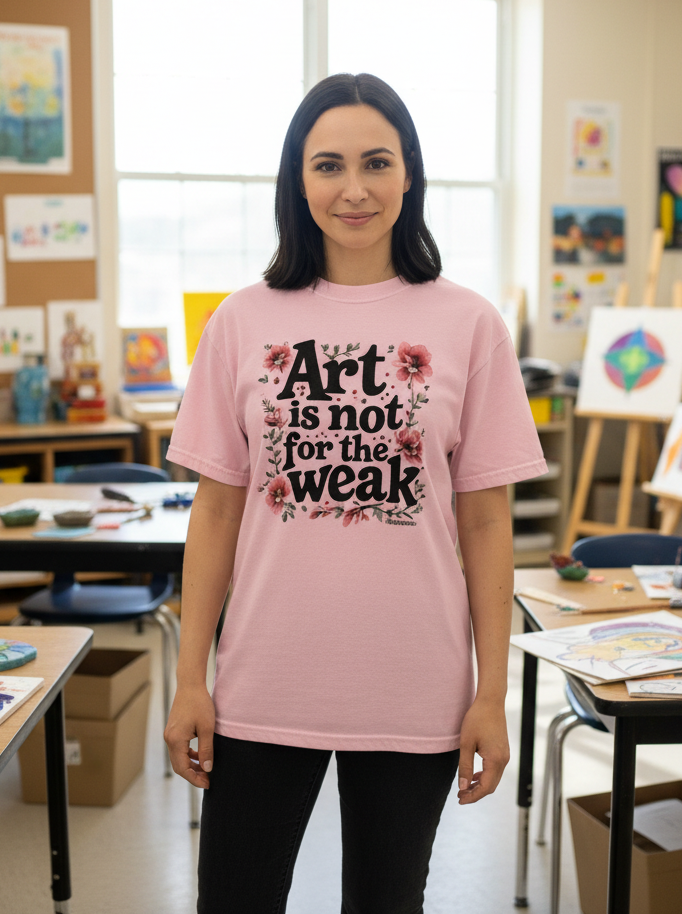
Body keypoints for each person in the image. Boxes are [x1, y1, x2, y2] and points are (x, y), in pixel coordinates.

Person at [164, 72, 546, 913]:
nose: (355, 189)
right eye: (328, 165)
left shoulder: (470, 324)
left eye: (377, 163)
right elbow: (217, 511)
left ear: (409, 174)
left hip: (415, 683)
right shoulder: (241, 321)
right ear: (297, 182)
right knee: (234, 899)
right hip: (263, 684)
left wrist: (492, 694)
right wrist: (191, 678)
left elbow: (485, 522)